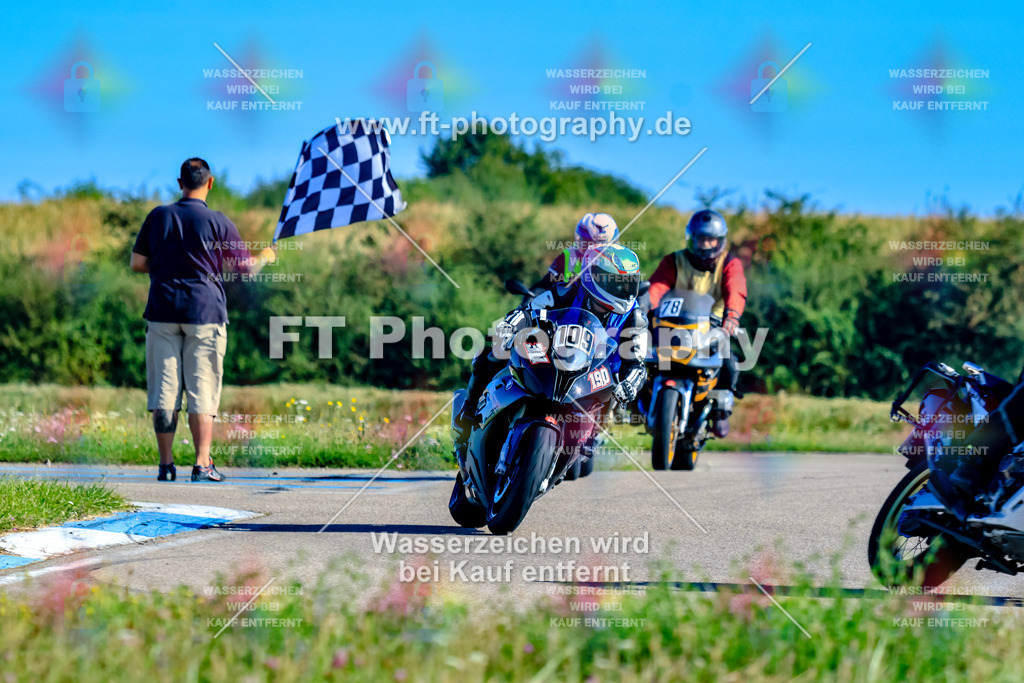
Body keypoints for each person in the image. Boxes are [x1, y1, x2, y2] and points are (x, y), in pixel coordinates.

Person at [453, 244, 648, 466]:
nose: (624, 290)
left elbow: (637, 364)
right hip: (553, 355)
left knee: (612, 392)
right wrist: (513, 322)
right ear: (594, 276)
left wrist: (630, 384)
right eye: (616, 282)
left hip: (597, 372)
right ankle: (468, 415)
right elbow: (531, 309)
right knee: (494, 350)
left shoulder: (636, 319)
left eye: (628, 283)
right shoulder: (570, 290)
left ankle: (588, 438)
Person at [130, 158, 252, 483]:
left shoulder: (159, 216)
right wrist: (264, 256)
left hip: (162, 310)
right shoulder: (218, 221)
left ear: (179, 182)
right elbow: (244, 269)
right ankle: (201, 464)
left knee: (164, 392)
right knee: (203, 388)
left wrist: (165, 271)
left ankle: (166, 465)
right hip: (205, 312)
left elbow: (137, 263)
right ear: (210, 183)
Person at [646, 209, 747, 437]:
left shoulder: (729, 264)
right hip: (671, 324)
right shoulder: (674, 260)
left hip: (712, 327)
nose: (706, 245)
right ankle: (639, 402)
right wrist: (645, 308)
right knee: (641, 357)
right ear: (692, 238)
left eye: (711, 240)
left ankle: (720, 412)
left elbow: (736, 290)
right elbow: (656, 287)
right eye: (702, 239)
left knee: (730, 365)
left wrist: (731, 317)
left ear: (720, 241)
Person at [531, 212, 620, 292]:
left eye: (600, 247)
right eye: (586, 243)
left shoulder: (621, 262)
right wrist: (531, 300)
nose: (592, 251)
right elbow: (544, 285)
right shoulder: (568, 257)